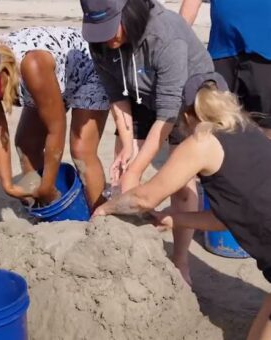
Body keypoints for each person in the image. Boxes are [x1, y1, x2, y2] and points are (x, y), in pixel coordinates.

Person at [93, 71, 271, 340]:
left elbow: (144, 198)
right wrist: (174, 219)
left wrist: (107, 207)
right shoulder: (248, 130)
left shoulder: (202, 142)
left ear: (187, 114)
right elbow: (228, 218)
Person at [80, 0, 214, 284]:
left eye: (110, 27)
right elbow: (116, 94)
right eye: (98, 29)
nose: (106, 37)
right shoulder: (100, 40)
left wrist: (137, 169)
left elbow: (167, 114)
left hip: (185, 97)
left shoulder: (166, 36)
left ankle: (181, 260)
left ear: (129, 12)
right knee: (124, 172)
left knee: (180, 181)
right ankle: (132, 249)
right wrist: (128, 146)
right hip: (139, 93)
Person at [0, 27, 110, 210]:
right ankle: (47, 207)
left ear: (2, 70)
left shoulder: (32, 64)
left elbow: (56, 128)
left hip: (88, 67)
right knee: (26, 143)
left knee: (81, 150)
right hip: (53, 77)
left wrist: (47, 185)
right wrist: (7, 185)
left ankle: (99, 213)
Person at [180, 0, 271, 138]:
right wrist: (177, 39)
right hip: (222, 50)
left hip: (265, 51)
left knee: (266, 121)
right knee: (214, 118)